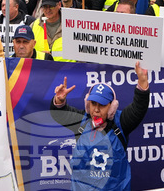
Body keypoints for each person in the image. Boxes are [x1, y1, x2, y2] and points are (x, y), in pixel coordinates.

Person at [49, 62, 151, 191]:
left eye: (102, 105)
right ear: (88, 104)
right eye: (93, 103)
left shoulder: (121, 123)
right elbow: (59, 114)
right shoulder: (81, 121)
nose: (96, 110)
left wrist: (142, 81)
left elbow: (139, 107)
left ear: (111, 107)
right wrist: (59, 100)